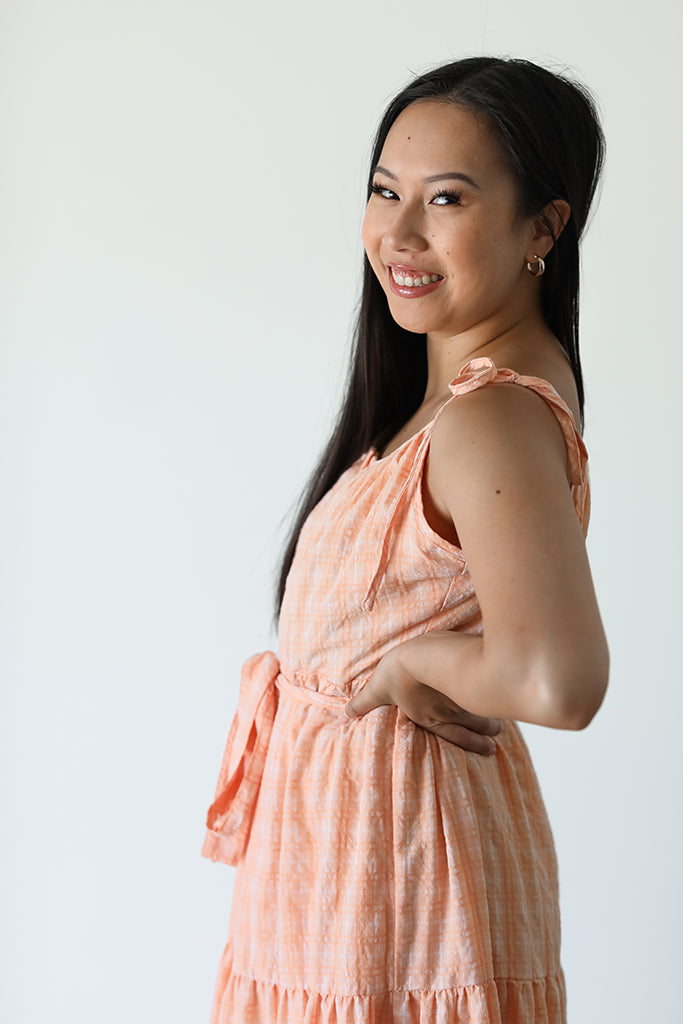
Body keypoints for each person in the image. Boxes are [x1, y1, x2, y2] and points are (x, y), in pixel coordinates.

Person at [201, 55, 609, 1024]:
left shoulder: (489, 416)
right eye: (384, 190)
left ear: (540, 228)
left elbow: (559, 676)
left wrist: (403, 666)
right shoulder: (444, 403)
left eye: (446, 198)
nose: (398, 232)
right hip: (349, 898)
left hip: (402, 906)